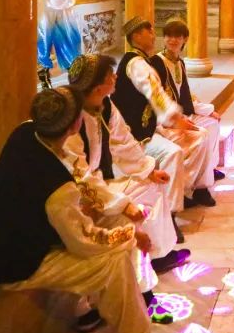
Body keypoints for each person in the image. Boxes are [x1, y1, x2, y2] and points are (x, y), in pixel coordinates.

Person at [0, 87, 168, 333]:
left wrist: (123, 215)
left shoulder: (27, 132)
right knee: (114, 262)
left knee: (116, 217)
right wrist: (131, 236)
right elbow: (84, 242)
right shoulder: (58, 189)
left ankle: (110, 306)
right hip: (8, 263)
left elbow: (79, 176)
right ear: (75, 125)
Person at [66, 54, 188, 273]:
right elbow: (79, 177)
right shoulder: (71, 119)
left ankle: (159, 254)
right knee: (130, 209)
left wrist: (147, 170)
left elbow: (123, 141)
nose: (116, 77)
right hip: (77, 194)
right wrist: (122, 205)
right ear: (97, 87)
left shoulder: (105, 105)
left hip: (98, 183)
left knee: (154, 185)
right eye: (110, 75)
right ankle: (143, 267)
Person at [113, 17, 214, 212]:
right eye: (149, 31)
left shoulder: (145, 61)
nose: (154, 35)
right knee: (172, 152)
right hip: (136, 135)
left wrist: (177, 120)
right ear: (136, 36)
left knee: (200, 136)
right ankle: (170, 211)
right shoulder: (136, 63)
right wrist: (175, 118)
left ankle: (191, 189)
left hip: (152, 127)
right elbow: (155, 93)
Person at [149, 19, 223, 188]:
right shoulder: (157, 62)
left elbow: (185, 94)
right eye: (169, 36)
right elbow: (157, 97)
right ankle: (195, 185)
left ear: (185, 39)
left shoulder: (180, 62)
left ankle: (209, 169)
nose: (172, 40)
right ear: (163, 38)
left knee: (213, 123)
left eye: (177, 37)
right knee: (202, 133)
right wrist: (176, 119)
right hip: (166, 120)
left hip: (183, 114)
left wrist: (207, 110)